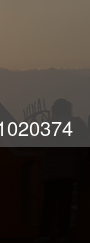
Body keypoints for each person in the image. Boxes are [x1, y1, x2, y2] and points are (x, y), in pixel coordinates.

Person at [36, 99, 88, 243]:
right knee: (65, 204)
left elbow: (40, 138)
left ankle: (44, 234)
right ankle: (62, 235)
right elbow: (84, 137)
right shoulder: (77, 123)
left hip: (51, 170)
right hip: (69, 169)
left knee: (48, 204)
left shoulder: (48, 124)